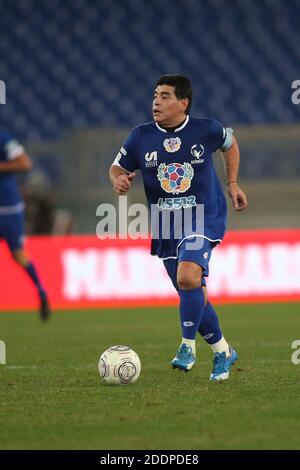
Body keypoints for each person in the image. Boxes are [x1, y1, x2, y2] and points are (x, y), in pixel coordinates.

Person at [109, 75, 247, 381]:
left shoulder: (206, 129)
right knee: (193, 291)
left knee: (188, 277)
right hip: (166, 221)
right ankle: (223, 352)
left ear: (183, 103)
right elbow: (117, 166)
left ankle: (187, 346)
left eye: (165, 96)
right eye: (155, 95)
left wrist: (233, 183)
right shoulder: (139, 136)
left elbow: (230, 144)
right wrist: (118, 178)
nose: (156, 101)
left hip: (204, 213)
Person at [0, 128, 50, 320]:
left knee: (18, 255)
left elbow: (24, 163)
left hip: (8, 208)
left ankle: (42, 292)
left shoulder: (3, 139)